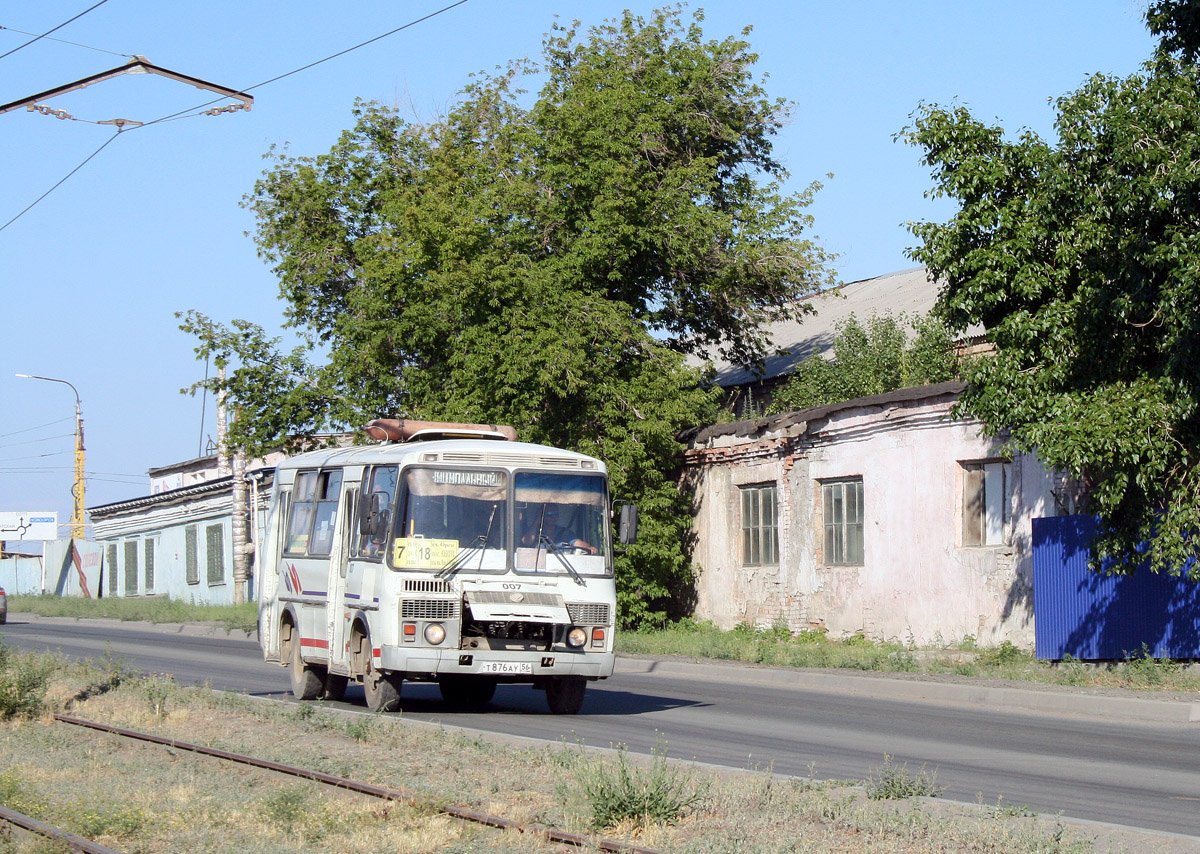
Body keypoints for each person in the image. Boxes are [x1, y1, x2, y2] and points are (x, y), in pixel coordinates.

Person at [520, 503, 596, 554]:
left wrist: (589, 548)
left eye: (556, 514)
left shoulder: (565, 533)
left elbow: (578, 543)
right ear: (542, 515)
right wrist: (537, 521)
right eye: (549, 514)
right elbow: (527, 541)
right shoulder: (534, 531)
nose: (553, 517)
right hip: (539, 570)